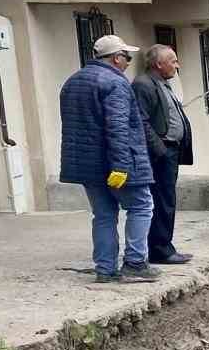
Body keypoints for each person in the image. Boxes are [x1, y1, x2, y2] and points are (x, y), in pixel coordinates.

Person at [58, 34, 159, 283]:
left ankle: (105, 269)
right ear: (116, 58)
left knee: (103, 215)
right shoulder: (115, 83)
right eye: (126, 57)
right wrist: (121, 166)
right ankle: (135, 262)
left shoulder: (73, 81)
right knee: (141, 206)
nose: (128, 62)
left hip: (87, 166)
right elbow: (117, 128)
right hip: (116, 163)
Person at [131, 44, 193, 265]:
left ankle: (165, 245)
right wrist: (160, 148)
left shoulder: (162, 84)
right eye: (173, 61)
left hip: (170, 150)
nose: (177, 65)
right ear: (158, 64)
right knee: (162, 200)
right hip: (161, 152)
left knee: (167, 199)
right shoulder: (143, 84)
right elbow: (141, 121)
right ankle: (160, 249)